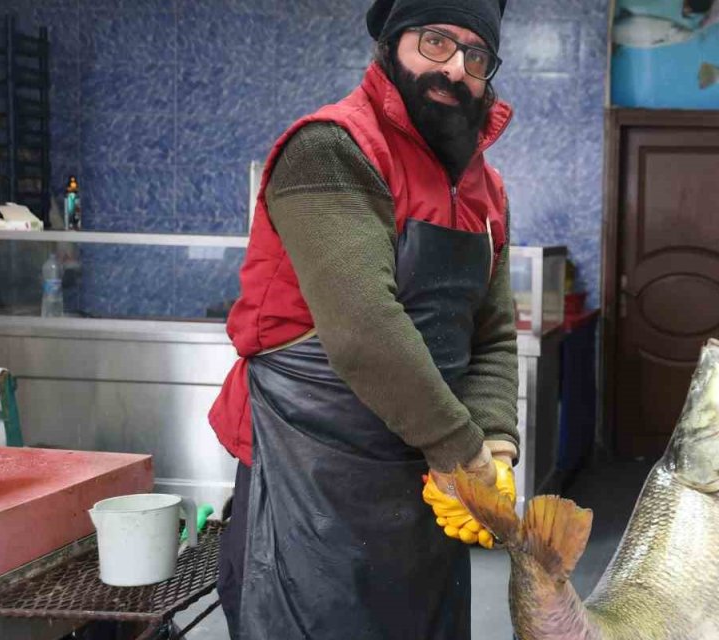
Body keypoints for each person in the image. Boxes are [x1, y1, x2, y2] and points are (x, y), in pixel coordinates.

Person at [207, 1, 518, 637]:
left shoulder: (486, 190)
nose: (455, 69)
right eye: (435, 41)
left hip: (426, 479)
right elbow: (364, 328)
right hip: (311, 476)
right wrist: (461, 454)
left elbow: (492, 333)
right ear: (392, 44)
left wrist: (494, 442)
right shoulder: (329, 149)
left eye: (476, 55)